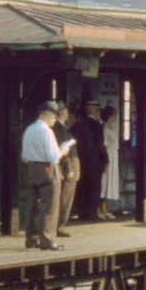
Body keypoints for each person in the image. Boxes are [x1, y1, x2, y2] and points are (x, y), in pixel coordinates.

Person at [21, 101, 67, 250]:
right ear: (48, 115)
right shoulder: (46, 131)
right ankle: (47, 240)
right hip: (47, 169)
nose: (55, 120)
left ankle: (31, 239)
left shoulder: (29, 129)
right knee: (50, 206)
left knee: (33, 206)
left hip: (32, 169)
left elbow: (24, 156)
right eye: (54, 117)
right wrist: (63, 150)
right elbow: (54, 156)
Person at [71, 101, 107, 222]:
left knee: (82, 187)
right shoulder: (97, 126)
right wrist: (105, 160)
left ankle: (81, 213)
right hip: (95, 162)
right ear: (96, 111)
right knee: (94, 188)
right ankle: (91, 214)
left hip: (81, 162)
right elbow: (100, 145)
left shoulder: (77, 125)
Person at [53, 101, 79, 237]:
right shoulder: (60, 128)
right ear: (63, 113)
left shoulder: (60, 127)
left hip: (68, 164)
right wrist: (68, 168)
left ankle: (58, 225)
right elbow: (64, 150)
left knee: (64, 196)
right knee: (66, 197)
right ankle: (59, 226)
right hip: (68, 165)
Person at [99, 105, 120, 219]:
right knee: (104, 182)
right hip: (108, 156)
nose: (115, 117)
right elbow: (104, 145)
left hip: (114, 156)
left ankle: (105, 208)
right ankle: (99, 209)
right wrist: (105, 162)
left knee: (109, 182)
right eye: (113, 115)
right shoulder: (104, 129)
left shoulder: (111, 127)